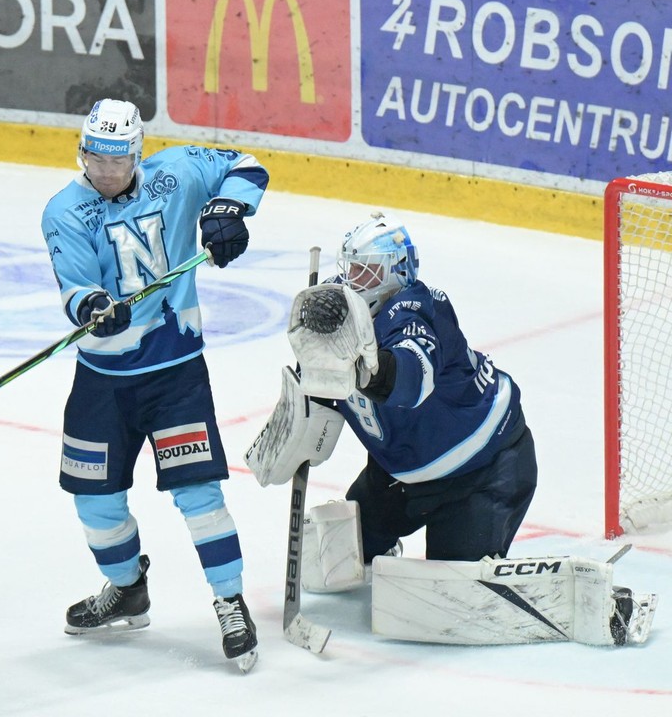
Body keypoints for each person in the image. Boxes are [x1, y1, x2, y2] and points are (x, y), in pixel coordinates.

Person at [246, 212, 657, 647]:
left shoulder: (418, 308)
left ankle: (592, 600)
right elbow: (315, 411)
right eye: (350, 269)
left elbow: (409, 379)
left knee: (450, 603)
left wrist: (366, 370)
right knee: (323, 565)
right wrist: (292, 425)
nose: (355, 281)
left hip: (484, 472)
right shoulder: (335, 313)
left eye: (367, 270)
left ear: (398, 272)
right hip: (397, 478)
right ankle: (389, 547)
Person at [41, 98, 268, 672]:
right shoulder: (64, 211)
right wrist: (91, 304)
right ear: (82, 151)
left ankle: (230, 601)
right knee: (93, 497)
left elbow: (247, 164)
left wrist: (228, 210)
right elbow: (75, 285)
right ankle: (126, 589)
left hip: (175, 376)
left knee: (198, 494)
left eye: (117, 162)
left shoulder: (177, 171)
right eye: (96, 159)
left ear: (137, 155)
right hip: (102, 382)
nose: (106, 173)